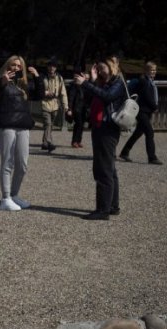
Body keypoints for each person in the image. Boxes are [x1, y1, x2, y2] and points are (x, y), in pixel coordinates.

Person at [0, 55, 45, 211]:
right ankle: (5, 198)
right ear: (7, 66)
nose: (16, 68)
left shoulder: (24, 84)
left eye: (19, 66)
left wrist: (38, 77)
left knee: (22, 164)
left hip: (23, 125)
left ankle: (14, 195)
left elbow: (40, 95)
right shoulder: (1, 81)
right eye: (13, 65)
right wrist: (2, 83)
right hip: (7, 125)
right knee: (8, 162)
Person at [74, 57, 126, 220]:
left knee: (103, 169)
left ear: (111, 68)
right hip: (100, 127)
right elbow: (91, 99)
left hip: (108, 129)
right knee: (110, 168)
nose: (101, 71)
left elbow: (107, 97)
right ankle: (112, 205)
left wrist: (86, 83)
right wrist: (93, 81)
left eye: (103, 68)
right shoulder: (105, 83)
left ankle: (103, 209)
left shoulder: (118, 83)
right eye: (99, 69)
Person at [119, 62, 163, 165]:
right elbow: (147, 96)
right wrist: (155, 107)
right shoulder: (144, 81)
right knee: (149, 132)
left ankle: (125, 152)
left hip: (146, 111)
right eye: (151, 70)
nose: (153, 72)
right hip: (141, 111)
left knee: (139, 132)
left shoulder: (150, 82)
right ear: (146, 71)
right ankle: (152, 157)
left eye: (154, 70)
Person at [41, 59, 68, 152]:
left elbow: (63, 93)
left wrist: (66, 106)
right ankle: (49, 142)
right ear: (47, 67)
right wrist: (45, 92)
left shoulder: (59, 78)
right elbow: (38, 90)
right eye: (50, 66)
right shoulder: (43, 77)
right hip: (45, 103)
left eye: (54, 66)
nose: (52, 67)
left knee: (50, 125)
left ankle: (44, 143)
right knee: (48, 123)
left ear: (56, 68)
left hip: (55, 105)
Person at [66, 67, 91, 148]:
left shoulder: (87, 86)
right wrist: (69, 109)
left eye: (87, 78)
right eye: (85, 77)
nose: (86, 79)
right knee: (78, 124)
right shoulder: (75, 85)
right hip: (76, 108)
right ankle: (74, 141)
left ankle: (78, 140)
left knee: (81, 125)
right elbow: (71, 98)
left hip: (84, 108)